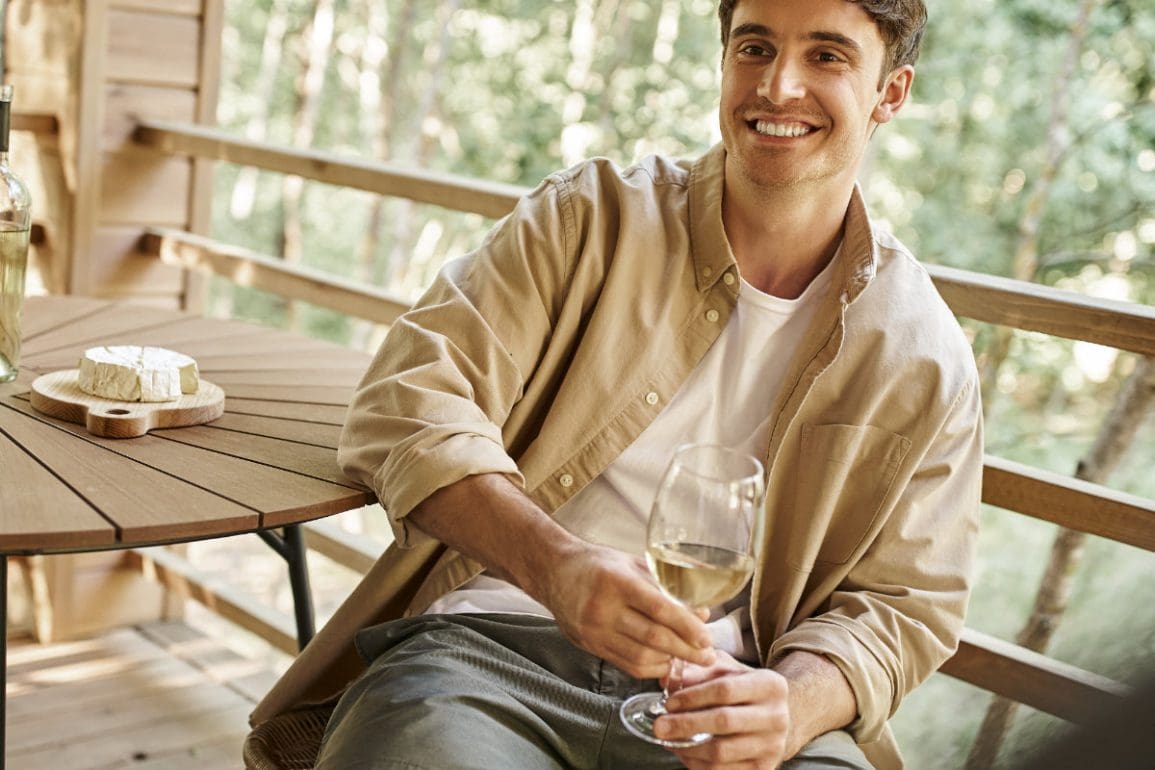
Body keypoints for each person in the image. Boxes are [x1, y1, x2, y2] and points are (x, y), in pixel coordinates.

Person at [259, 1, 984, 768]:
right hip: (486, 657)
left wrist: (796, 703)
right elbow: (408, 401)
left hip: (735, 695)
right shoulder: (588, 218)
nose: (777, 86)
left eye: (826, 56)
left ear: (889, 93)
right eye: (754, 47)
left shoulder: (922, 352)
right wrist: (554, 565)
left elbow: (908, 602)